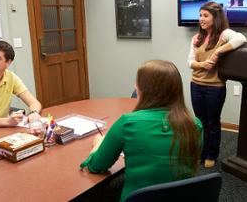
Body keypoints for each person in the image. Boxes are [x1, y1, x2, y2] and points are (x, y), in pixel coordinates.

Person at [80, 60, 203, 202]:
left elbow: (96, 167)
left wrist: (98, 144)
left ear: (146, 90)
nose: (135, 87)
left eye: (137, 83)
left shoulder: (127, 123)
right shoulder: (196, 125)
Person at [188, 1, 246, 168]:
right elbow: (190, 61)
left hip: (215, 87)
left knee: (212, 122)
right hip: (196, 85)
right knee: (200, 122)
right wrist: (202, 65)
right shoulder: (197, 38)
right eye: (200, 15)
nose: (201, 19)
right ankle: (201, 152)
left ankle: (211, 154)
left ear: (216, 17)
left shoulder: (224, 34)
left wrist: (219, 51)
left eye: (205, 16)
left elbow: (241, 38)